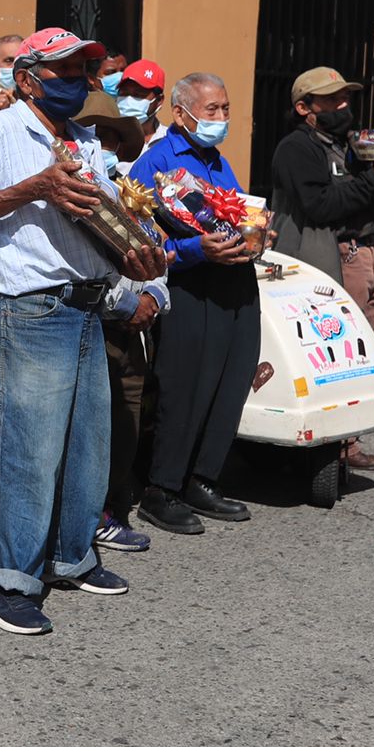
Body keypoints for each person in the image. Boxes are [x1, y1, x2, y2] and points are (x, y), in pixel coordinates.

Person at [0, 28, 167, 636]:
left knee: (85, 447)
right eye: (63, 72)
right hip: (29, 309)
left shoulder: (88, 140)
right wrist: (35, 187)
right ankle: (3, 580)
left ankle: (70, 558)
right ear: (27, 78)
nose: (76, 83)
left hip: (88, 306)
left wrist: (139, 254)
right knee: (24, 451)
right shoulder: (0, 133)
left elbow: (106, 223)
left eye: (83, 72)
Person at [270, 66, 374, 471]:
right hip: (335, 257)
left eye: (345, 98)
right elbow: (322, 206)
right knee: (333, 356)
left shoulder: (352, 146)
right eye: (331, 100)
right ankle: (329, 447)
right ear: (305, 108)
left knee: (361, 354)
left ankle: (349, 444)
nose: (343, 106)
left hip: (372, 253)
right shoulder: (296, 149)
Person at [129, 74, 264, 534]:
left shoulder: (217, 161)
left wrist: (257, 232)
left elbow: (236, 212)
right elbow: (141, 243)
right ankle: (161, 488)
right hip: (188, 288)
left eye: (225, 109)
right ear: (181, 113)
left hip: (234, 283)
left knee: (231, 378)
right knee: (183, 388)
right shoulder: (156, 165)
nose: (222, 119)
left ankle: (202, 478)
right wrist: (192, 251)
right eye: (212, 111)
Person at [74, 93, 164, 554]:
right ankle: (85, 518)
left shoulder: (133, 193)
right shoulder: (76, 192)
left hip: (132, 329)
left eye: (111, 138)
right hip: (91, 322)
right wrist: (126, 303)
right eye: (96, 137)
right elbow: (78, 266)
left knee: (126, 417)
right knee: (88, 429)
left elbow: (158, 254)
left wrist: (152, 295)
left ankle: (110, 508)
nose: (103, 146)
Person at [114, 58, 169, 162]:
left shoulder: (169, 140)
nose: (129, 100)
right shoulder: (106, 139)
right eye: (124, 93)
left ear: (159, 100)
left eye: (139, 95)